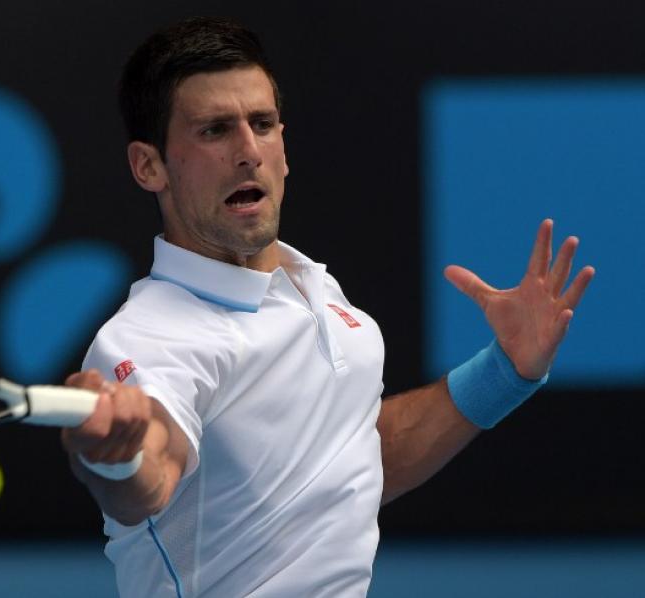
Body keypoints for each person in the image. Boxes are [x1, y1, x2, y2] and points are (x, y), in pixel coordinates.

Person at [60, 16, 594, 598]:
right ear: (149, 166)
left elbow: (354, 458)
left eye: (262, 124)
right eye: (214, 130)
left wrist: (503, 371)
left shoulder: (312, 287)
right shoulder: (146, 339)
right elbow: (151, 474)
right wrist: (116, 459)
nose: (248, 152)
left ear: (283, 145)